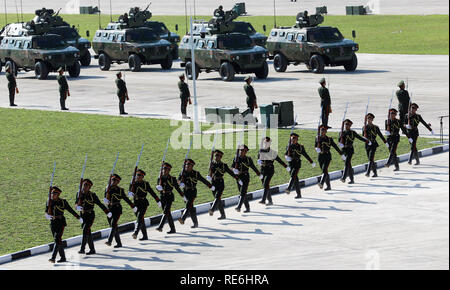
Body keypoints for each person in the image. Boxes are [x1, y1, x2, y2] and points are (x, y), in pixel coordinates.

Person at [45, 186, 82, 263]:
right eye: (52, 193)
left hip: (61, 222)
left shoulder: (63, 202)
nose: (52, 195)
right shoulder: (49, 201)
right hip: (53, 222)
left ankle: (53, 257)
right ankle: (63, 257)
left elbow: (70, 210)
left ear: (58, 194)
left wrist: (78, 217)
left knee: (57, 239)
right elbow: (46, 211)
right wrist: (47, 216)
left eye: (54, 193)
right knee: (58, 241)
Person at [75, 179, 112, 255]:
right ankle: (92, 250)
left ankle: (82, 249)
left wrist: (107, 212)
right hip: (83, 215)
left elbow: (99, 204)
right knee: (87, 232)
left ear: (89, 187)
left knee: (85, 229)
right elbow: (76, 203)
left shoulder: (92, 195)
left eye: (86, 185)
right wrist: (77, 207)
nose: (84, 187)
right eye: (84, 185)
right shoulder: (79, 193)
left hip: (90, 215)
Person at [103, 174, 137, 248]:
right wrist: (105, 200)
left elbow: (125, 198)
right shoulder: (108, 188)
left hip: (117, 208)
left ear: (118, 182)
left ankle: (109, 241)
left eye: (115, 180)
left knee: (113, 224)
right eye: (112, 180)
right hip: (109, 209)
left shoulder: (120, 190)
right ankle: (119, 243)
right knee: (114, 227)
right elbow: (106, 198)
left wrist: (132, 205)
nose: (113, 182)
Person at [178, 159, 213, 227]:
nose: (186, 166)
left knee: (188, 205)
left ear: (192, 166)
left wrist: (210, 186)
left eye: (188, 165)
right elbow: (178, 180)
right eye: (186, 165)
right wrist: (180, 183)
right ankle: (195, 223)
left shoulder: (196, 173)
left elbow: (203, 180)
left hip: (192, 192)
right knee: (191, 208)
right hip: (185, 192)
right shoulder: (183, 173)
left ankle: (183, 219)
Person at [128, 169, 161, 241]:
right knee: (141, 220)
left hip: (143, 203)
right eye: (137, 175)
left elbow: (152, 192)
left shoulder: (145, 184)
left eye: (139, 175)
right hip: (136, 203)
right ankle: (145, 236)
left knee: (139, 217)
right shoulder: (133, 183)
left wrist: (158, 200)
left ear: (142, 177)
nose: (138, 176)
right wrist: (130, 193)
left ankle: (135, 232)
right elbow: (130, 191)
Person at [258, 137, 289, 205]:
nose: (266, 144)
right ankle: (270, 201)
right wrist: (259, 161)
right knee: (265, 185)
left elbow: (279, 160)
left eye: (267, 143)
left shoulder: (272, 152)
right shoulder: (261, 150)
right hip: (262, 170)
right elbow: (259, 158)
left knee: (266, 184)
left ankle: (263, 200)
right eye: (265, 143)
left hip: (270, 170)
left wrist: (286, 166)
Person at [207, 150, 237, 219]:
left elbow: (230, 173)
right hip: (213, 183)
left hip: (220, 183)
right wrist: (209, 176)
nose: (216, 157)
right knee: (218, 200)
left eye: (217, 156)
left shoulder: (224, 165)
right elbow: (210, 171)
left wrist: (237, 179)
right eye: (215, 156)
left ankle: (212, 209)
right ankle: (223, 215)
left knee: (217, 197)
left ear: (220, 157)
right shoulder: (212, 164)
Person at [156, 162, 184, 234]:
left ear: (169, 170)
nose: (164, 170)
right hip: (162, 197)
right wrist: (158, 188)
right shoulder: (160, 178)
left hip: (169, 197)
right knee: (167, 213)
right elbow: (158, 187)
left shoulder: (172, 179)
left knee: (165, 212)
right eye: (163, 169)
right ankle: (173, 229)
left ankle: (160, 227)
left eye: (165, 169)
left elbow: (177, 188)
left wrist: (183, 196)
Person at [338, 119, 369, 184]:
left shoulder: (352, 132)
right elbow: (339, 141)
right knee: (348, 165)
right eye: (346, 124)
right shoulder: (341, 132)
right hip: (343, 150)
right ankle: (352, 179)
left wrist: (367, 141)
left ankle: (343, 178)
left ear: (350, 126)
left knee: (347, 163)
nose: (346, 126)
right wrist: (340, 144)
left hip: (350, 150)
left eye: (348, 125)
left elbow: (359, 137)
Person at [285, 133, 315, 198]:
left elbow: (305, 154)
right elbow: (286, 154)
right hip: (290, 164)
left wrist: (311, 161)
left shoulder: (300, 147)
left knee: (293, 175)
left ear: (297, 139)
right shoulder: (289, 146)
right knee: (295, 179)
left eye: (294, 139)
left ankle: (289, 188)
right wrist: (287, 157)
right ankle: (299, 194)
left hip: (297, 164)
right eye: (292, 139)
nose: (292, 140)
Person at [315, 125, 345, 191]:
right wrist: (316, 148)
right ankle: (328, 186)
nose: (322, 132)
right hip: (320, 156)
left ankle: (321, 183)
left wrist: (341, 154)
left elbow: (335, 147)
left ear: (326, 132)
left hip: (327, 156)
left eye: (323, 131)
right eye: (321, 131)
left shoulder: (329, 139)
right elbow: (315, 146)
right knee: (325, 172)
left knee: (324, 170)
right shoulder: (317, 138)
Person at [232, 145, 260, 212]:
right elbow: (231, 167)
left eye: (244, 151)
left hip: (245, 177)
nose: (242, 152)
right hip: (238, 178)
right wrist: (234, 170)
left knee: (242, 192)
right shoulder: (236, 158)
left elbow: (253, 167)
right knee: (242, 193)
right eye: (241, 150)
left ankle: (239, 207)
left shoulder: (248, 159)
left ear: (246, 152)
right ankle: (247, 208)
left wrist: (258, 173)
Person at [362, 113, 387, 177]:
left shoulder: (375, 127)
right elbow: (362, 137)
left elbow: (380, 135)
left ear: (372, 119)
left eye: (370, 119)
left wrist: (385, 142)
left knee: (371, 158)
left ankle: (368, 173)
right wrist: (365, 138)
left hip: (373, 144)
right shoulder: (364, 127)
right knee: (370, 159)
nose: (369, 120)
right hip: (367, 144)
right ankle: (375, 173)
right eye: (368, 118)